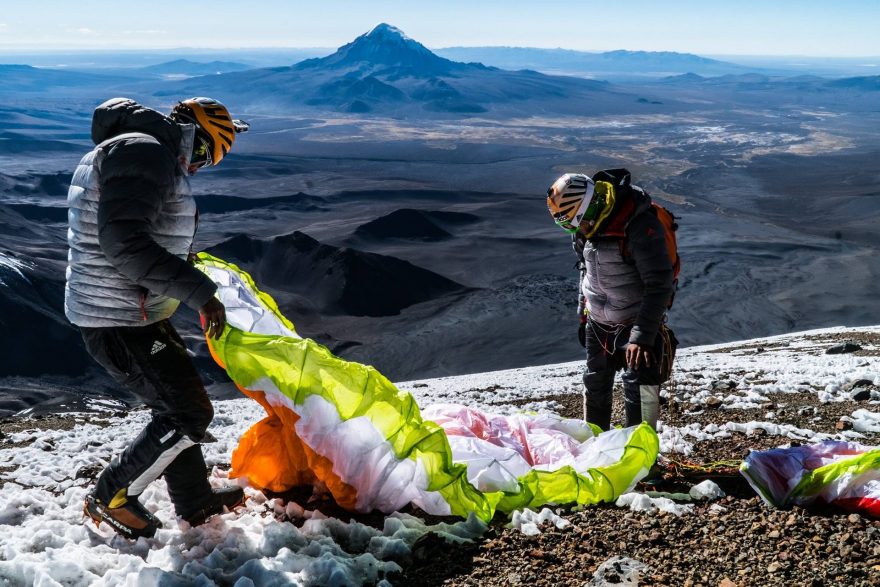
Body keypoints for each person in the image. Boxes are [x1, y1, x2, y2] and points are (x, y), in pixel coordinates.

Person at [65, 96, 249, 539]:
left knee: (178, 405)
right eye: (209, 153)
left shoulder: (140, 150)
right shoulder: (144, 152)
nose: (202, 166)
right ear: (200, 137)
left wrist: (184, 265)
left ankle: (195, 501)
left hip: (131, 310)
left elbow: (139, 231)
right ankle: (111, 496)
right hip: (118, 318)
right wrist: (200, 293)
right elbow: (125, 243)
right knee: (187, 412)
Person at [547, 169, 675, 431]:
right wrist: (584, 316)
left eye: (573, 222)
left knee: (639, 388)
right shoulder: (587, 229)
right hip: (598, 322)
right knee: (595, 382)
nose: (573, 229)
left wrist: (641, 337)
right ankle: (595, 449)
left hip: (635, 322)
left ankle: (642, 459)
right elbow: (586, 272)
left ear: (585, 208)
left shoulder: (639, 225)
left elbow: (659, 283)